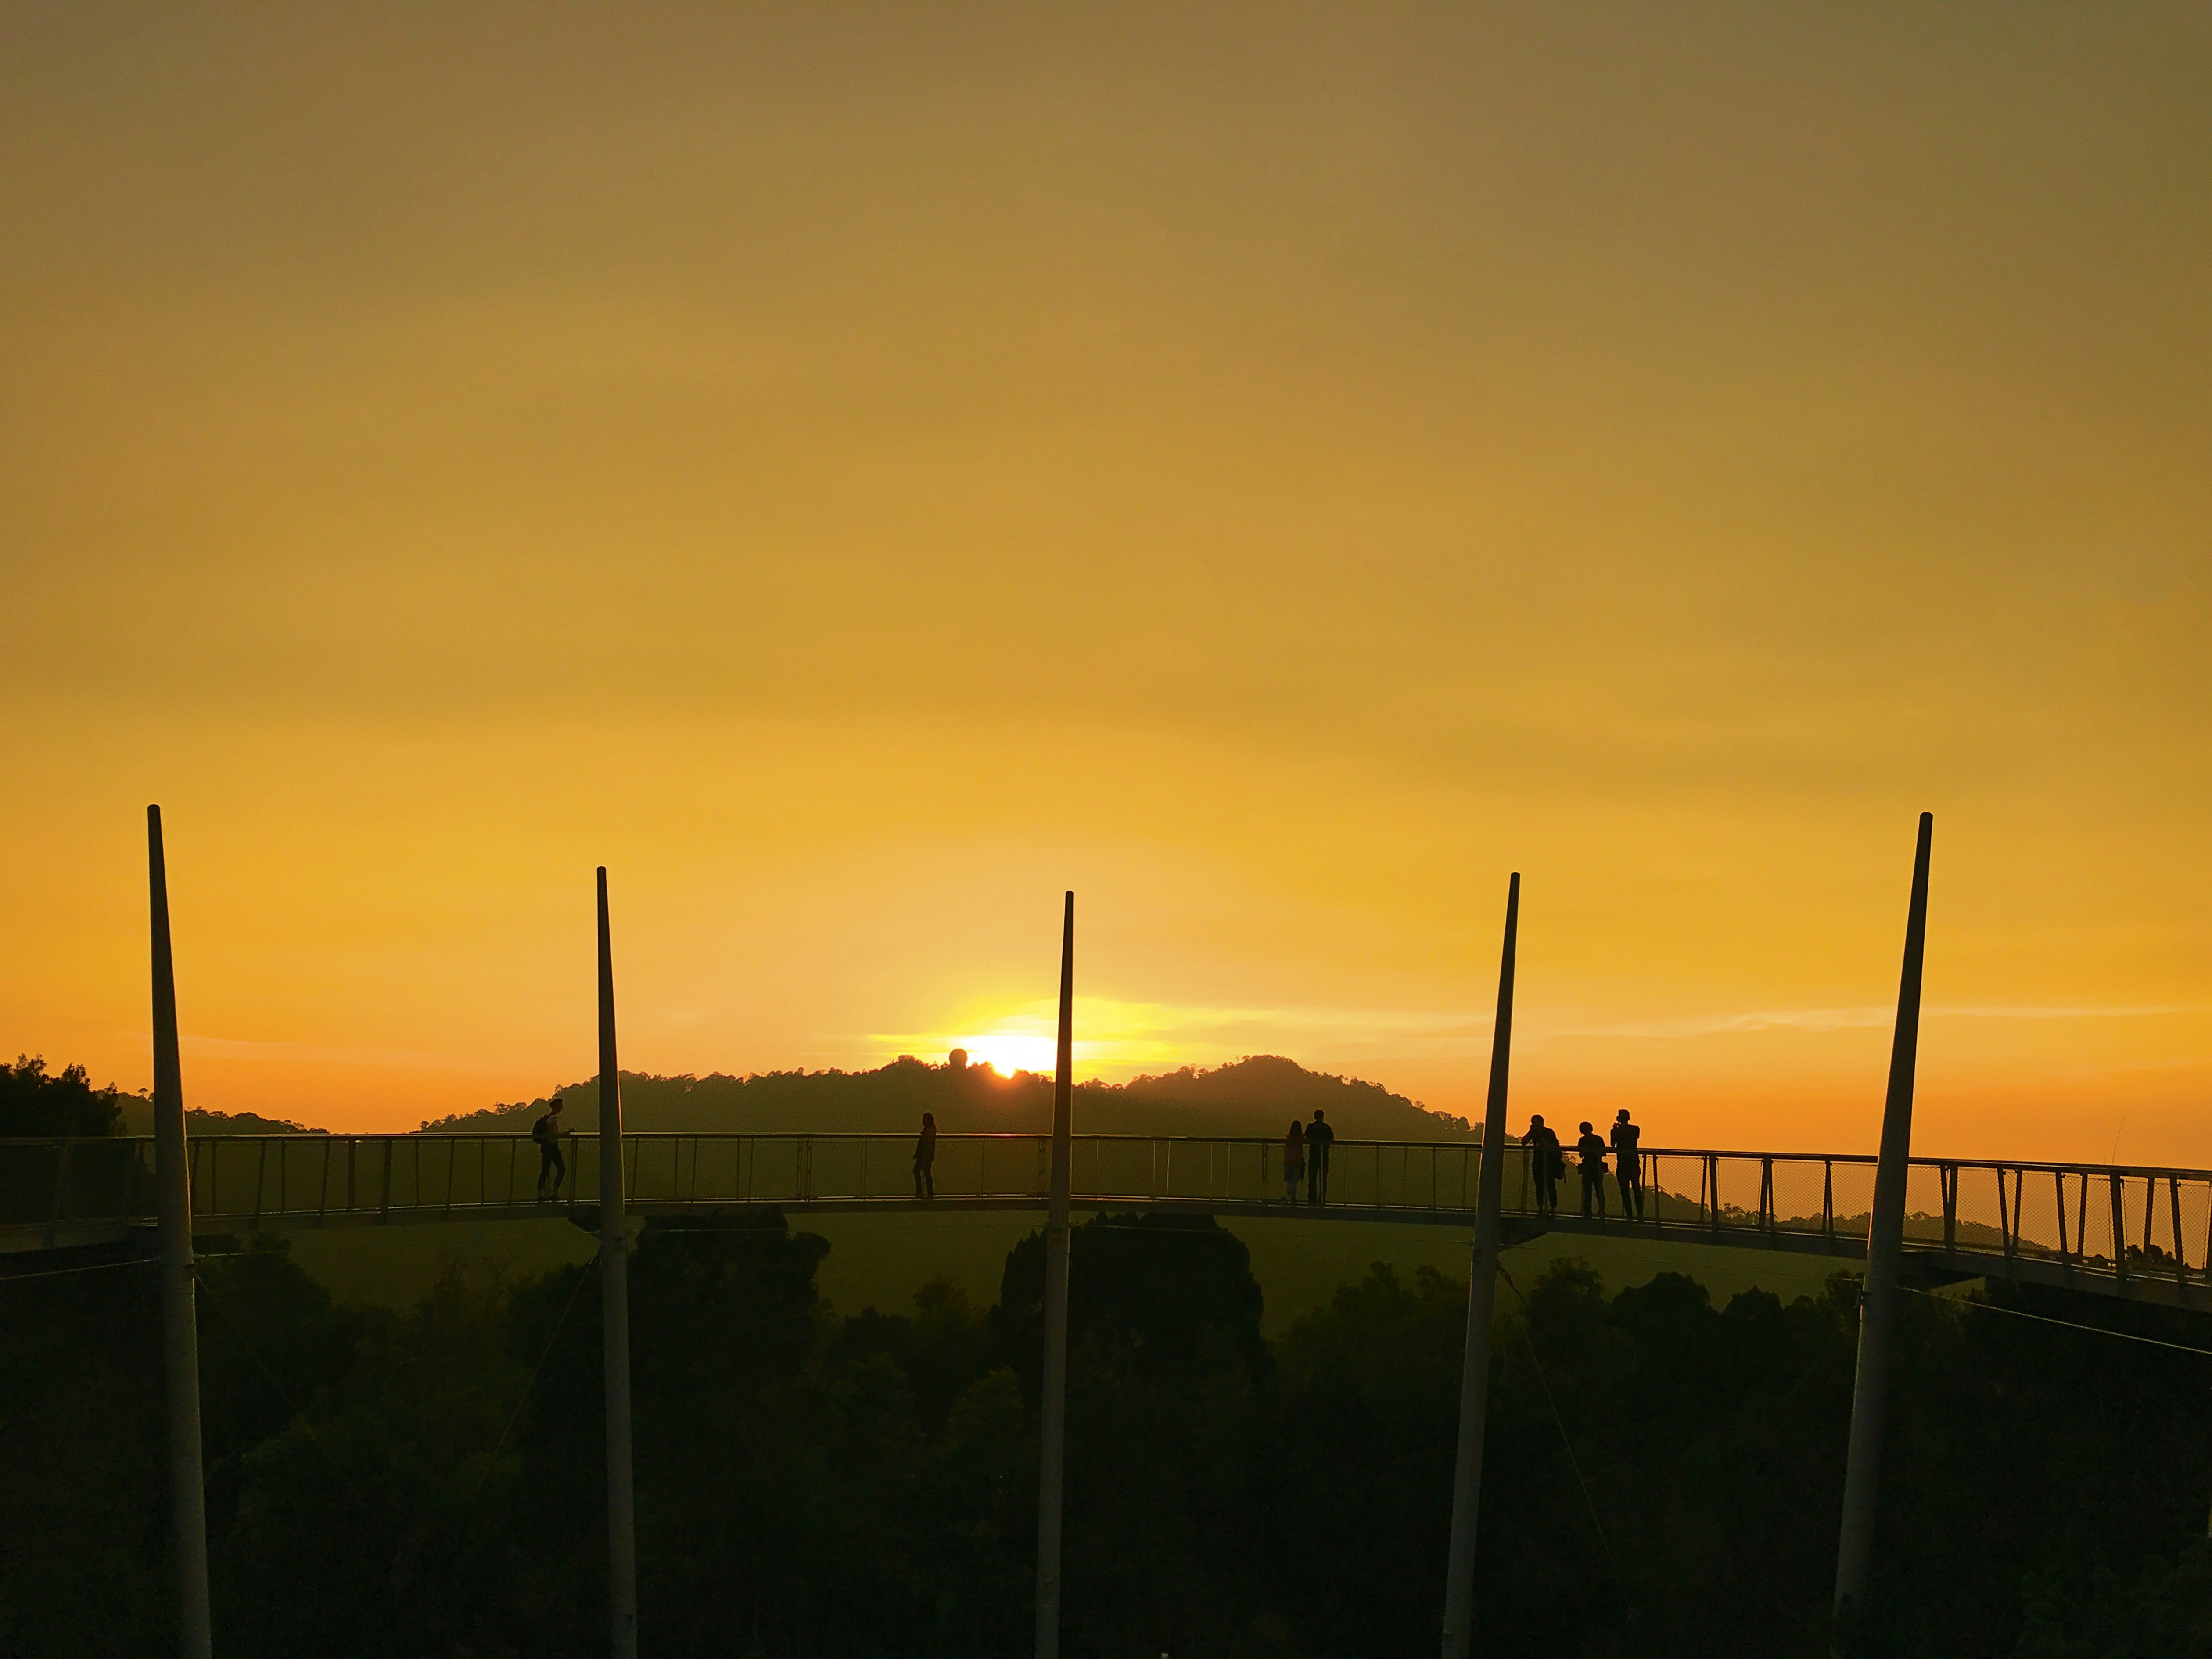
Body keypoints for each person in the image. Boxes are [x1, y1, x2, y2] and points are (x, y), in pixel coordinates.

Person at [1524, 1114, 1562, 1214]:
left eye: (1537, 1124)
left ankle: (1553, 1207)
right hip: (1538, 1162)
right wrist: (1531, 1133)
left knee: (1550, 1185)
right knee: (1539, 1185)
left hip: (1549, 1163)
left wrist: (1541, 1138)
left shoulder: (1549, 1132)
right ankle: (1540, 1207)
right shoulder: (1533, 1133)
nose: (1536, 1126)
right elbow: (1524, 1142)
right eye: (1534, 1124)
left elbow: (1552, 1147)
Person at [1611, 1108, 1643, 1219]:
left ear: (1619, 1118)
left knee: (1624, 1190)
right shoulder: (1635, 1129)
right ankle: (1640, 1213)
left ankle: (1629, 1214)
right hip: (1634, 1162)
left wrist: (1616, 1128)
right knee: (1637, 1188)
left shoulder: (1615, 1131)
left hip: (1622, 1162)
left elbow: (1613, 1144)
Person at [533, 1095, 567, 1201]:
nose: (562, 1107)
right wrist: (567, 1133)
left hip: (546, 1147)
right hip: (551, 1147)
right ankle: (554, 1193)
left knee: (545, 1170)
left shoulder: (549, 1118)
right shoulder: (553, 1118)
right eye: (561, 1105)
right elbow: (554, 1134)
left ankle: (541, 1195)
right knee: (561, 1169)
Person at [1575, 1120, 1608, 1218]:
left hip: (1587, 1167)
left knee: (1587, 1190)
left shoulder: (1582, 1140)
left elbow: (1581, 1154)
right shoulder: (1599, 1139)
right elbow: (1604, 1153)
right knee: (1599, 1190)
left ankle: (1587, 1211)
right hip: (1598, 1166)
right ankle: (1602, 1210)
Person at [1305, 1108, 1336, 1206]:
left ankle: (1312, 1199)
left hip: (1314, 1155)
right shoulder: (1327, 1128)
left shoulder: (1311, 1127)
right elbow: (1331, 1139)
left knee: (1312, 1178)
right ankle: (1322, 1198)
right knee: (1323, 1179)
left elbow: (1307, 1137)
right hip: (1324, 1155)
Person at [913, 1111, 937, 1199]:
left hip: (925, 1156)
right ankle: (928, 1191)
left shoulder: (930, 1130)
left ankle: (922, 1191)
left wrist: (925, 1155)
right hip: (925, 1155)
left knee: (919, 1171)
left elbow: (928, 1144)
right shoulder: (929, 1129)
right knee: (926, 1172)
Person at [1282, 1118, 1305, 1204]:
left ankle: (1287, 1195)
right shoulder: (1301, 1139)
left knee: (1288, 1179)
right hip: (1297, 1161)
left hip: (1288, 1160)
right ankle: (1293, 1197)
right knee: (1294, 1181)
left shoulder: (1289, 1138)